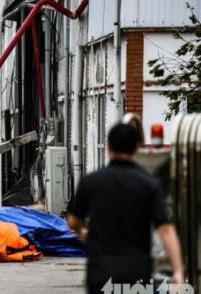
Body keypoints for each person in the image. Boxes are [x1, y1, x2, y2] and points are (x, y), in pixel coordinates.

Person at [67, 123, 184, 293]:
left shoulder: (90, 182)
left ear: (108, 146)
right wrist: (178, 271)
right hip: (137, 273)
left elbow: (73, 220)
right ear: (137, 148)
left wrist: (83, 233)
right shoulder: (149, 185)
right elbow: (165, 228)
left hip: (101, 273)